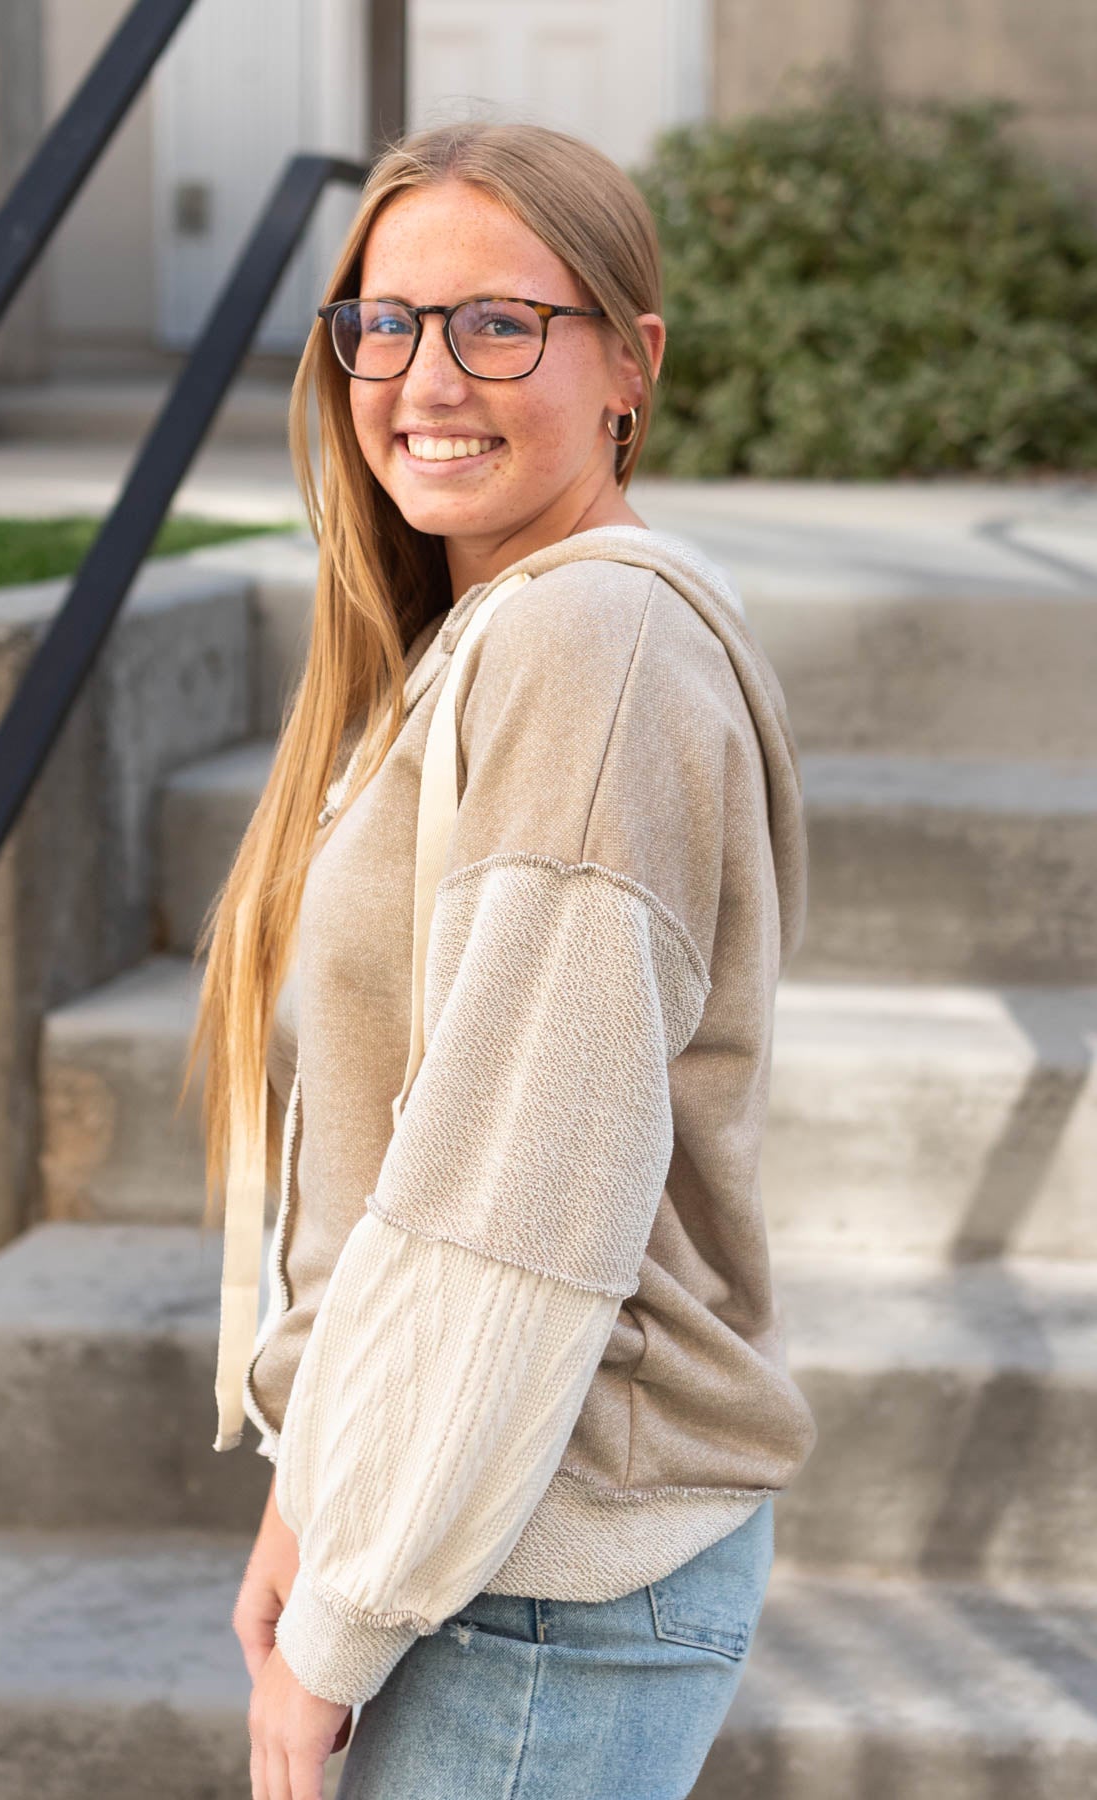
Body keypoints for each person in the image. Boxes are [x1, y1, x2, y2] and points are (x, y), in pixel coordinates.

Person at [184, 119, 818, 1800]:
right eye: (384, 324)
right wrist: (309, 1494)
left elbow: (516, 1214)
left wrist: (351, 1604)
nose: (425, 376)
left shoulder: (589, 645)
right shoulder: (484, 638)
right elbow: (400, 1152)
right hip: (469, 1542)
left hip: (533, 1580)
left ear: (631, 364)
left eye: (498, 323)